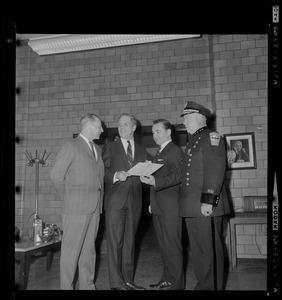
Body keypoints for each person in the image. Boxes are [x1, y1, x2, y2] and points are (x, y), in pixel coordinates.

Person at [179, 101, 231, 290]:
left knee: (208, 250)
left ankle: (211, 287)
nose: (184, 123)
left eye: (187, 118)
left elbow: (215, 170)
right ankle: (204, 284)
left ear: (200, 118)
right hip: (192, 206)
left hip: (205, 205)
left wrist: (208, 201)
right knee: (200, 250)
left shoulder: (211, 137)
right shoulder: (194, 140)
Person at [50, 114, 104, 290]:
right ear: (88, 127)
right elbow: (56, 176)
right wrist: (69, 199)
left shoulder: (97, 149)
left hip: (94, 208)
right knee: (70, 253)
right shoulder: (71, 146)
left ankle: (88, 286)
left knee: (89, 252)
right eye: (99, 127)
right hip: (75, 208)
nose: (102, 130)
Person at [102, 113, 147, 290]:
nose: (121, 127)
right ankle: (116, 283)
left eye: (125, 124)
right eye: (119, 124)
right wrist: (114, 176)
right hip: (115, 201)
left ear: (134, 127)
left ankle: (128, 280)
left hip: (134, 201)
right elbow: (103, 173)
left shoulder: (143, 150)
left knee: (130, 242)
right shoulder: (110, 147)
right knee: (115, 243)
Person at [140, 119, 184, 290]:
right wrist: (152, 201)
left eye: (158, 131)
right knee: (165, 247)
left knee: (173, 246)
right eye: (153, 132)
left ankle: (177, 285)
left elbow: (178, 176)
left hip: (171, 206)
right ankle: (167, 279)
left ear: (168, 132)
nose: (154, 135)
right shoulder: (160, 152)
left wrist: (155, 181)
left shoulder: (174, 150)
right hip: (159, 205)